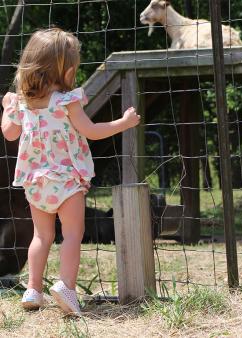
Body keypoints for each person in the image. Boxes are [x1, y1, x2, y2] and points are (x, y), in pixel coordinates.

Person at [1, 28, 140, 316]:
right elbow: (91, 130)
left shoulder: (22, 102)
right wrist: (123, 123)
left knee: (42, 237)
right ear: (68, 69)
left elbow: (9, 133)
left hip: (36, 182)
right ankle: (66, 287)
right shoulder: (67, 100)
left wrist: (7, 107)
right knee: (73, 234)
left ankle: (33, 289)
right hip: (66, 180)